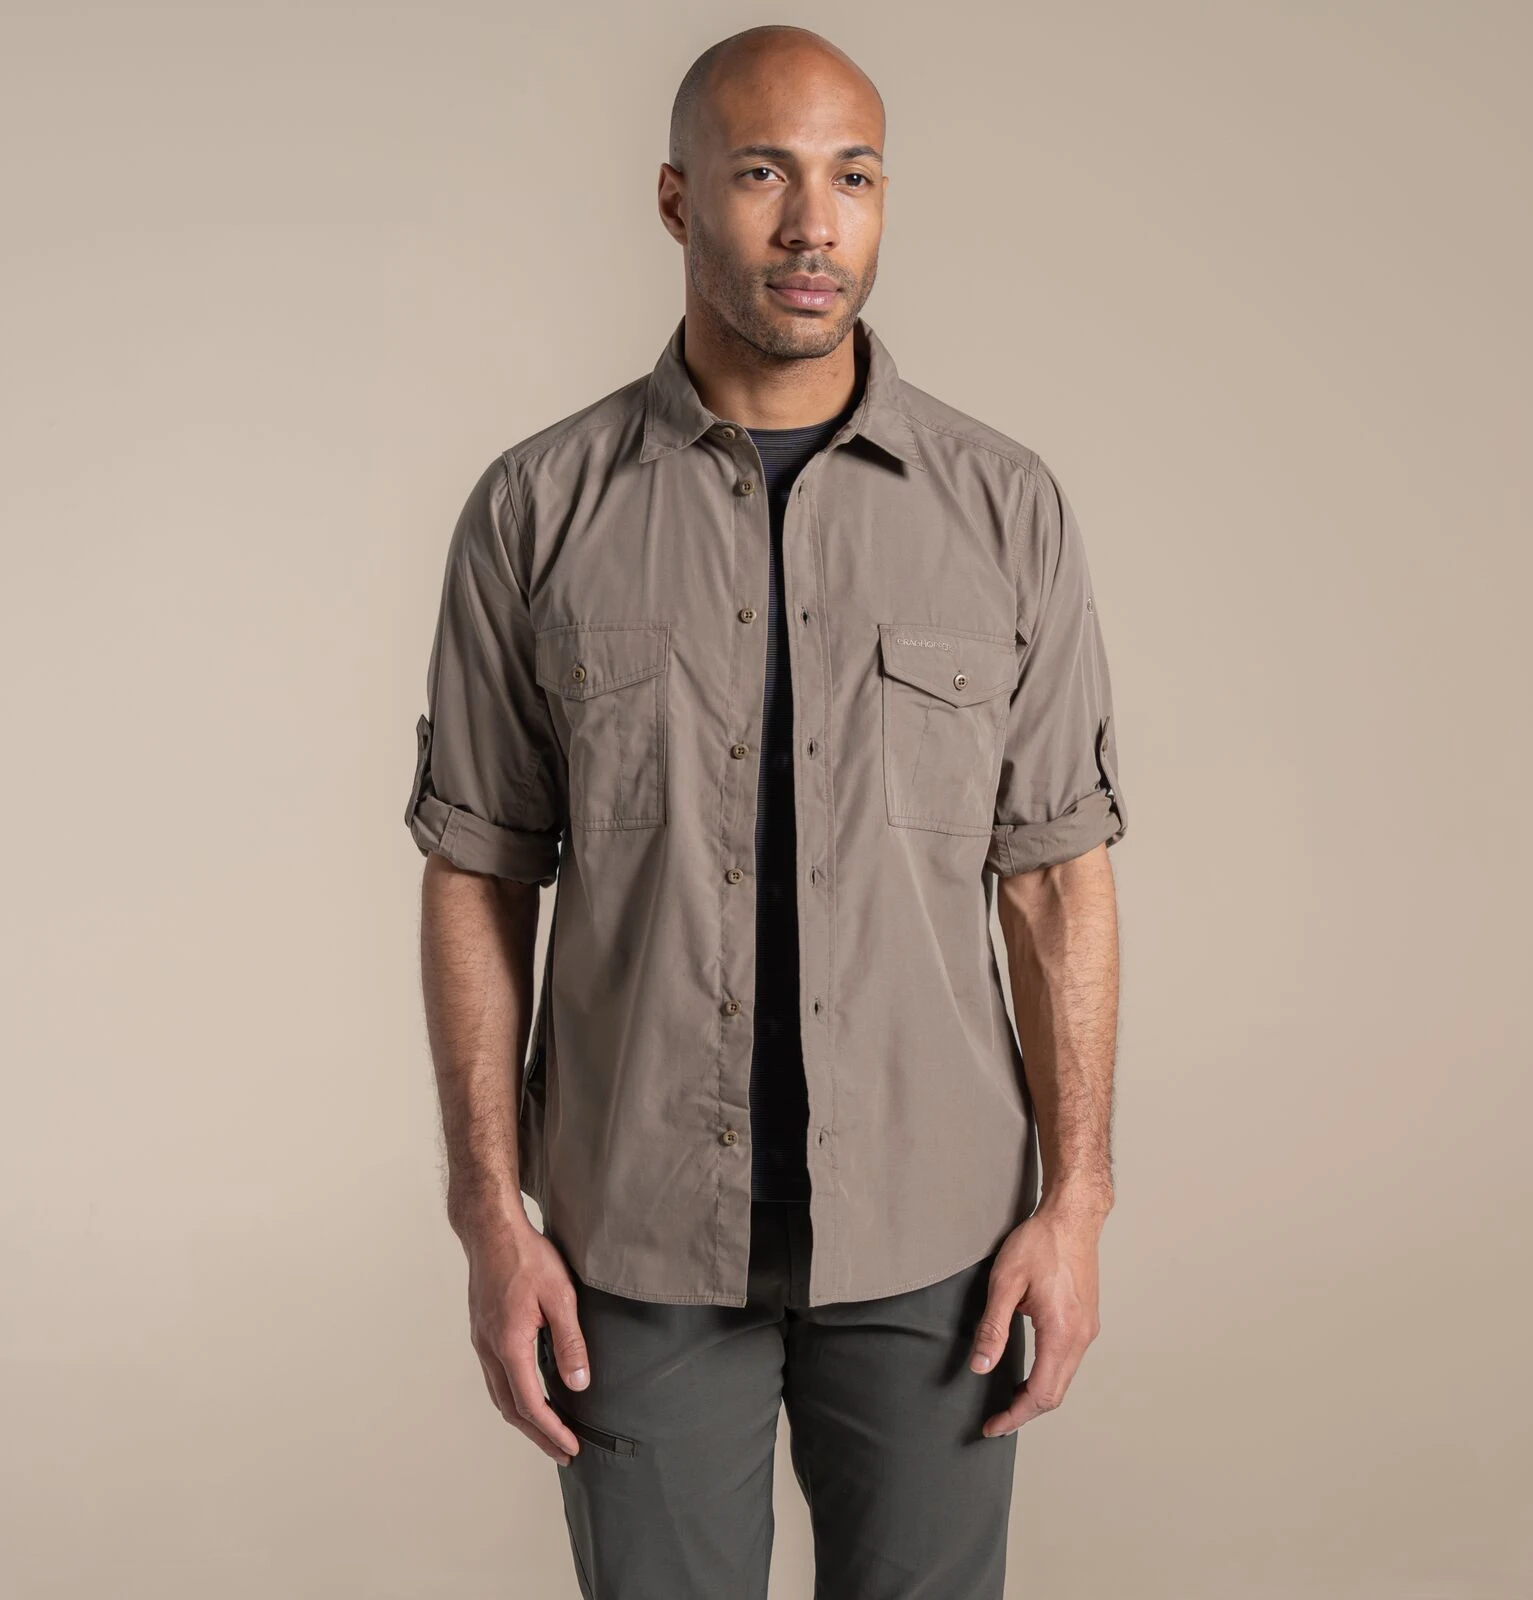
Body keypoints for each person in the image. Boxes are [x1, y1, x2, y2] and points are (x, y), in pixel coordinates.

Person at [404, 23, 1128, 1599]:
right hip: (634, 1241)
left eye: (853, 179)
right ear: (677, 200)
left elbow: (1056, 878)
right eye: (761, 175)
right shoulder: (536, 511)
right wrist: (487, 1218)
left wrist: (1077, 1205)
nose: (814, 225)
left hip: (939, 1247)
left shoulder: (1005, 510)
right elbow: (478, 872)